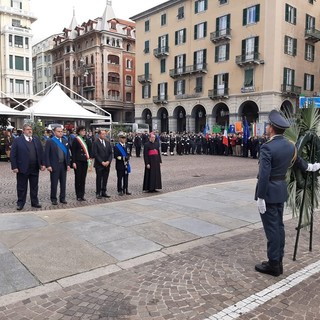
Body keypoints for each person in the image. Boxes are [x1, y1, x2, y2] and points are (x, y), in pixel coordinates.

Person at [254, 110, 320, 277]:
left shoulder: (267, 148)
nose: (267, 127)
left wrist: (260, 197)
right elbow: (301, 164)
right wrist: (312, 167)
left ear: (272, 128)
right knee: (279, 227)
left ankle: (274, 264)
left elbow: (264, 175)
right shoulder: (290, 145)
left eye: (268, 125)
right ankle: (278, 260)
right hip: (280, 190)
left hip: (268, 192)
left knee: (272, 229)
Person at [10, 123, 45, 210]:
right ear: (23, 131)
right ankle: (20, 203)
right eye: (28, 129)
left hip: (34, 167)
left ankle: (35, 202)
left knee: (34, 186)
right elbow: (13, 154)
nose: (30, 131)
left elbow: (41, 153)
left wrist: (42, 164)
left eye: (31, 129)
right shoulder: (18, 140)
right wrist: (14, 166)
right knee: (21, 187)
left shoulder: (36, 139)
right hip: (22, 168)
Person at [44, 126, 70, 205]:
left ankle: (62, 198)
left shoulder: (65, 140)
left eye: (61, 131)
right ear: (54, 132)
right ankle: (53, 198)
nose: (60, 133)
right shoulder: (50, 141)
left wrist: (68, 164)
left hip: (63, 165)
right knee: (54, 183)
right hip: (54, 165)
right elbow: (46, 154)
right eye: (58, 131)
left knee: (63, 183)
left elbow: (67, 154)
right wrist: (48, 165)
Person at [71, 126, 92, 201]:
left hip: (84, 161)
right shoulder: (76, 140)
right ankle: (78, 195)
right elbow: (73, 152)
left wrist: (90, 158)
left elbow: (90, 149)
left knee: (83, 178)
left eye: (84, 130)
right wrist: (73, 162)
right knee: (78, 178)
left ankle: (82, 194)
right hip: (78, 161)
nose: (84, 132)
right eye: (82, 131)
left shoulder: (87, 140)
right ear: (79, 132)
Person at [92, 129, 112, 199]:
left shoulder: (107, 142)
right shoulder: (95, 142)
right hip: (99, 164)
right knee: (99, 179)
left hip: (107, 164)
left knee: (105, 178)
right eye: (103, 134)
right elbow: (95, 154)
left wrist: (108, 161)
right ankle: (98, 192)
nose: (104, 135)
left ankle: (104, 191)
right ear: (99, 134)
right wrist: (102, 162)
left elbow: (110, 153)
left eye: (105, 134)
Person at [114, 132, 131, 196]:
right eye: (122, 138)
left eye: (124, 138)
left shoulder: (127, 146)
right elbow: (116, 156)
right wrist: (123, 158)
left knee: (126, 177)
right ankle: (120, 190)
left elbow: (129, 153)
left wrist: (128, 157)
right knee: (120, 178)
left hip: (126, 164)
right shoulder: (116, 147)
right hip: (120, 165)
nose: (124, 139)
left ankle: (125, 189)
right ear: (120, 139)